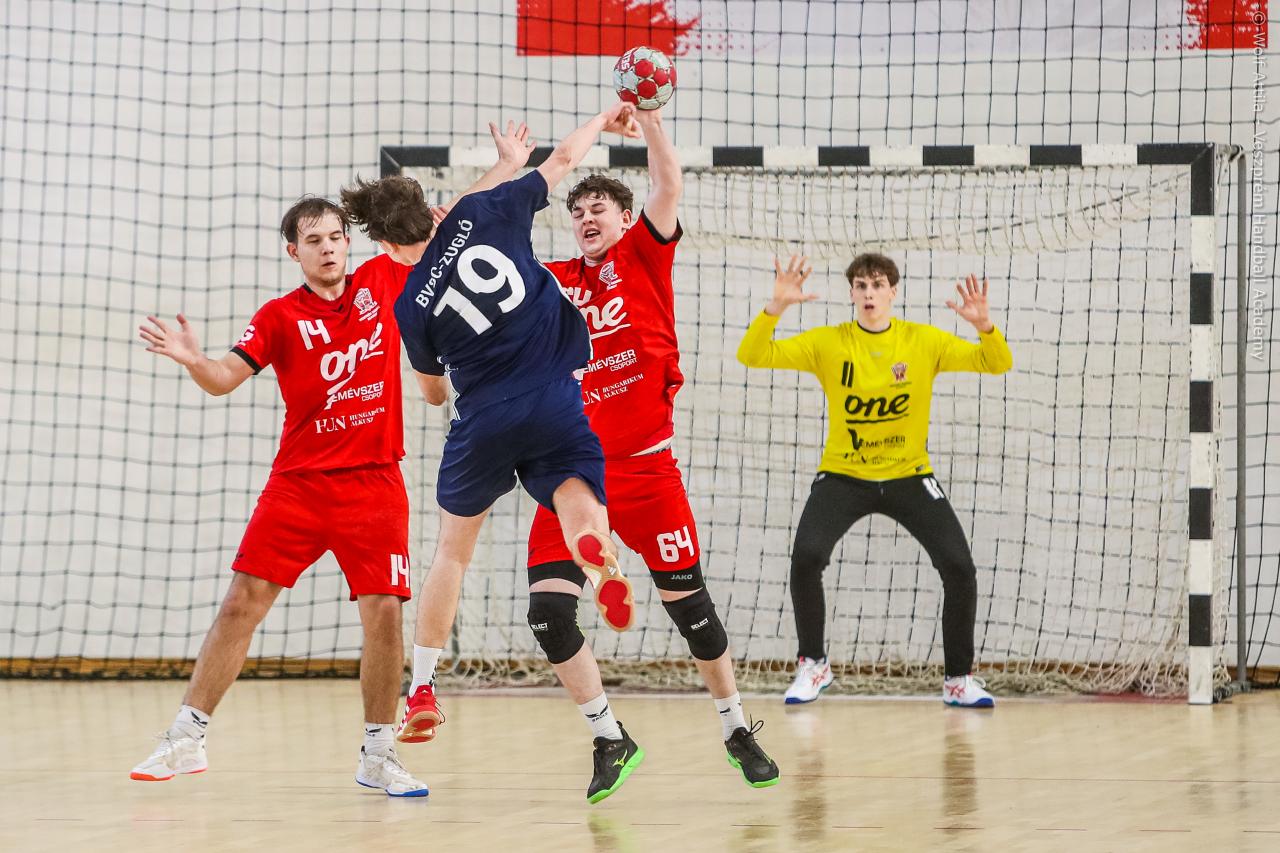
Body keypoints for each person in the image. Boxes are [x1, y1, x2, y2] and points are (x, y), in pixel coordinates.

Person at [340, 104, 644, 802]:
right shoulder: (485, 212)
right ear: (433, 207)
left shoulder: (409, 305)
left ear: (384, 243)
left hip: (482, 418)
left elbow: (431, 394)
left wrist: (443, 361)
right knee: (573, 493)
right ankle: (597, 554)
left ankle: (422, 685)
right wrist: (601, 117)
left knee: (452, 551)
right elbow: (563, 160)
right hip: (553, 395)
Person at [511, 106, 779, 794]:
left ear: (625, 219)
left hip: (648, 468)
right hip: (572, 475)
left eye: (598, 209)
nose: (586, 218)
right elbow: (498, 254)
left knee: (692, 611)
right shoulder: (554, 280)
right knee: (547, 614)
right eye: (578, 212)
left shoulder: (644, 254)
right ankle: (610, 736)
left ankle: (736, 727)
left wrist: (652, 121)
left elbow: (668, 185)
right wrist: (503, 180)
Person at [131, 197, 428, 796]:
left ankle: (377, 755)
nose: (327, 248)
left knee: (385, 614)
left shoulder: (383, 280)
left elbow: (453, 221)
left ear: (348, 243)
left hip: (374, 484)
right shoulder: (278, 316)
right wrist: (193, 359)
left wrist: (509, 166)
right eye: (313, 240)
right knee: (241, 603)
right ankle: (186, 738)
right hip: (298, 485)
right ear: (294, 251)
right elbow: (223, 379)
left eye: (335, 237)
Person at [737, 254, 1013, 708]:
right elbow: (752, 355)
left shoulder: (922, 341)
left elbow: (996, 362)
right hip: (844, 475)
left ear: (893, 292)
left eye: (878, 285)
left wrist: (984, 326)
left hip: (909, 474)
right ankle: (813, 665)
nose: (869, 293)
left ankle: (958, 680)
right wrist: (775, 309)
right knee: (806, 557)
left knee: (959, 567)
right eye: (861, 286)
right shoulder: (829, 343)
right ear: (851, 293)